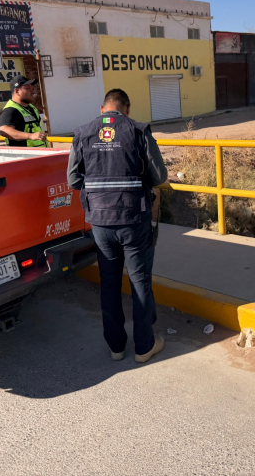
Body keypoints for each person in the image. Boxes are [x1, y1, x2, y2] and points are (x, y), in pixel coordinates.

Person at [67, 89, 168, 363]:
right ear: (127, 108)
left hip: (100, 222)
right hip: (134, 219)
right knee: (140, 282)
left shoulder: (83, 133)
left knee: (109, 283)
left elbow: (73, 180)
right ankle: (144, 347)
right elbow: (159, 176)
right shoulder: (138, 131)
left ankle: (116, 347)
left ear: (102, 109)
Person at [0, 75, 48, 147]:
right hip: (24, 153)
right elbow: (4, 130)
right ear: (17, 91)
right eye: (28, 88)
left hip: (39, 152)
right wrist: (30, 136)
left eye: (32, 87)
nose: (32, 90)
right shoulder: (11, 110)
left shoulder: (31, 107)